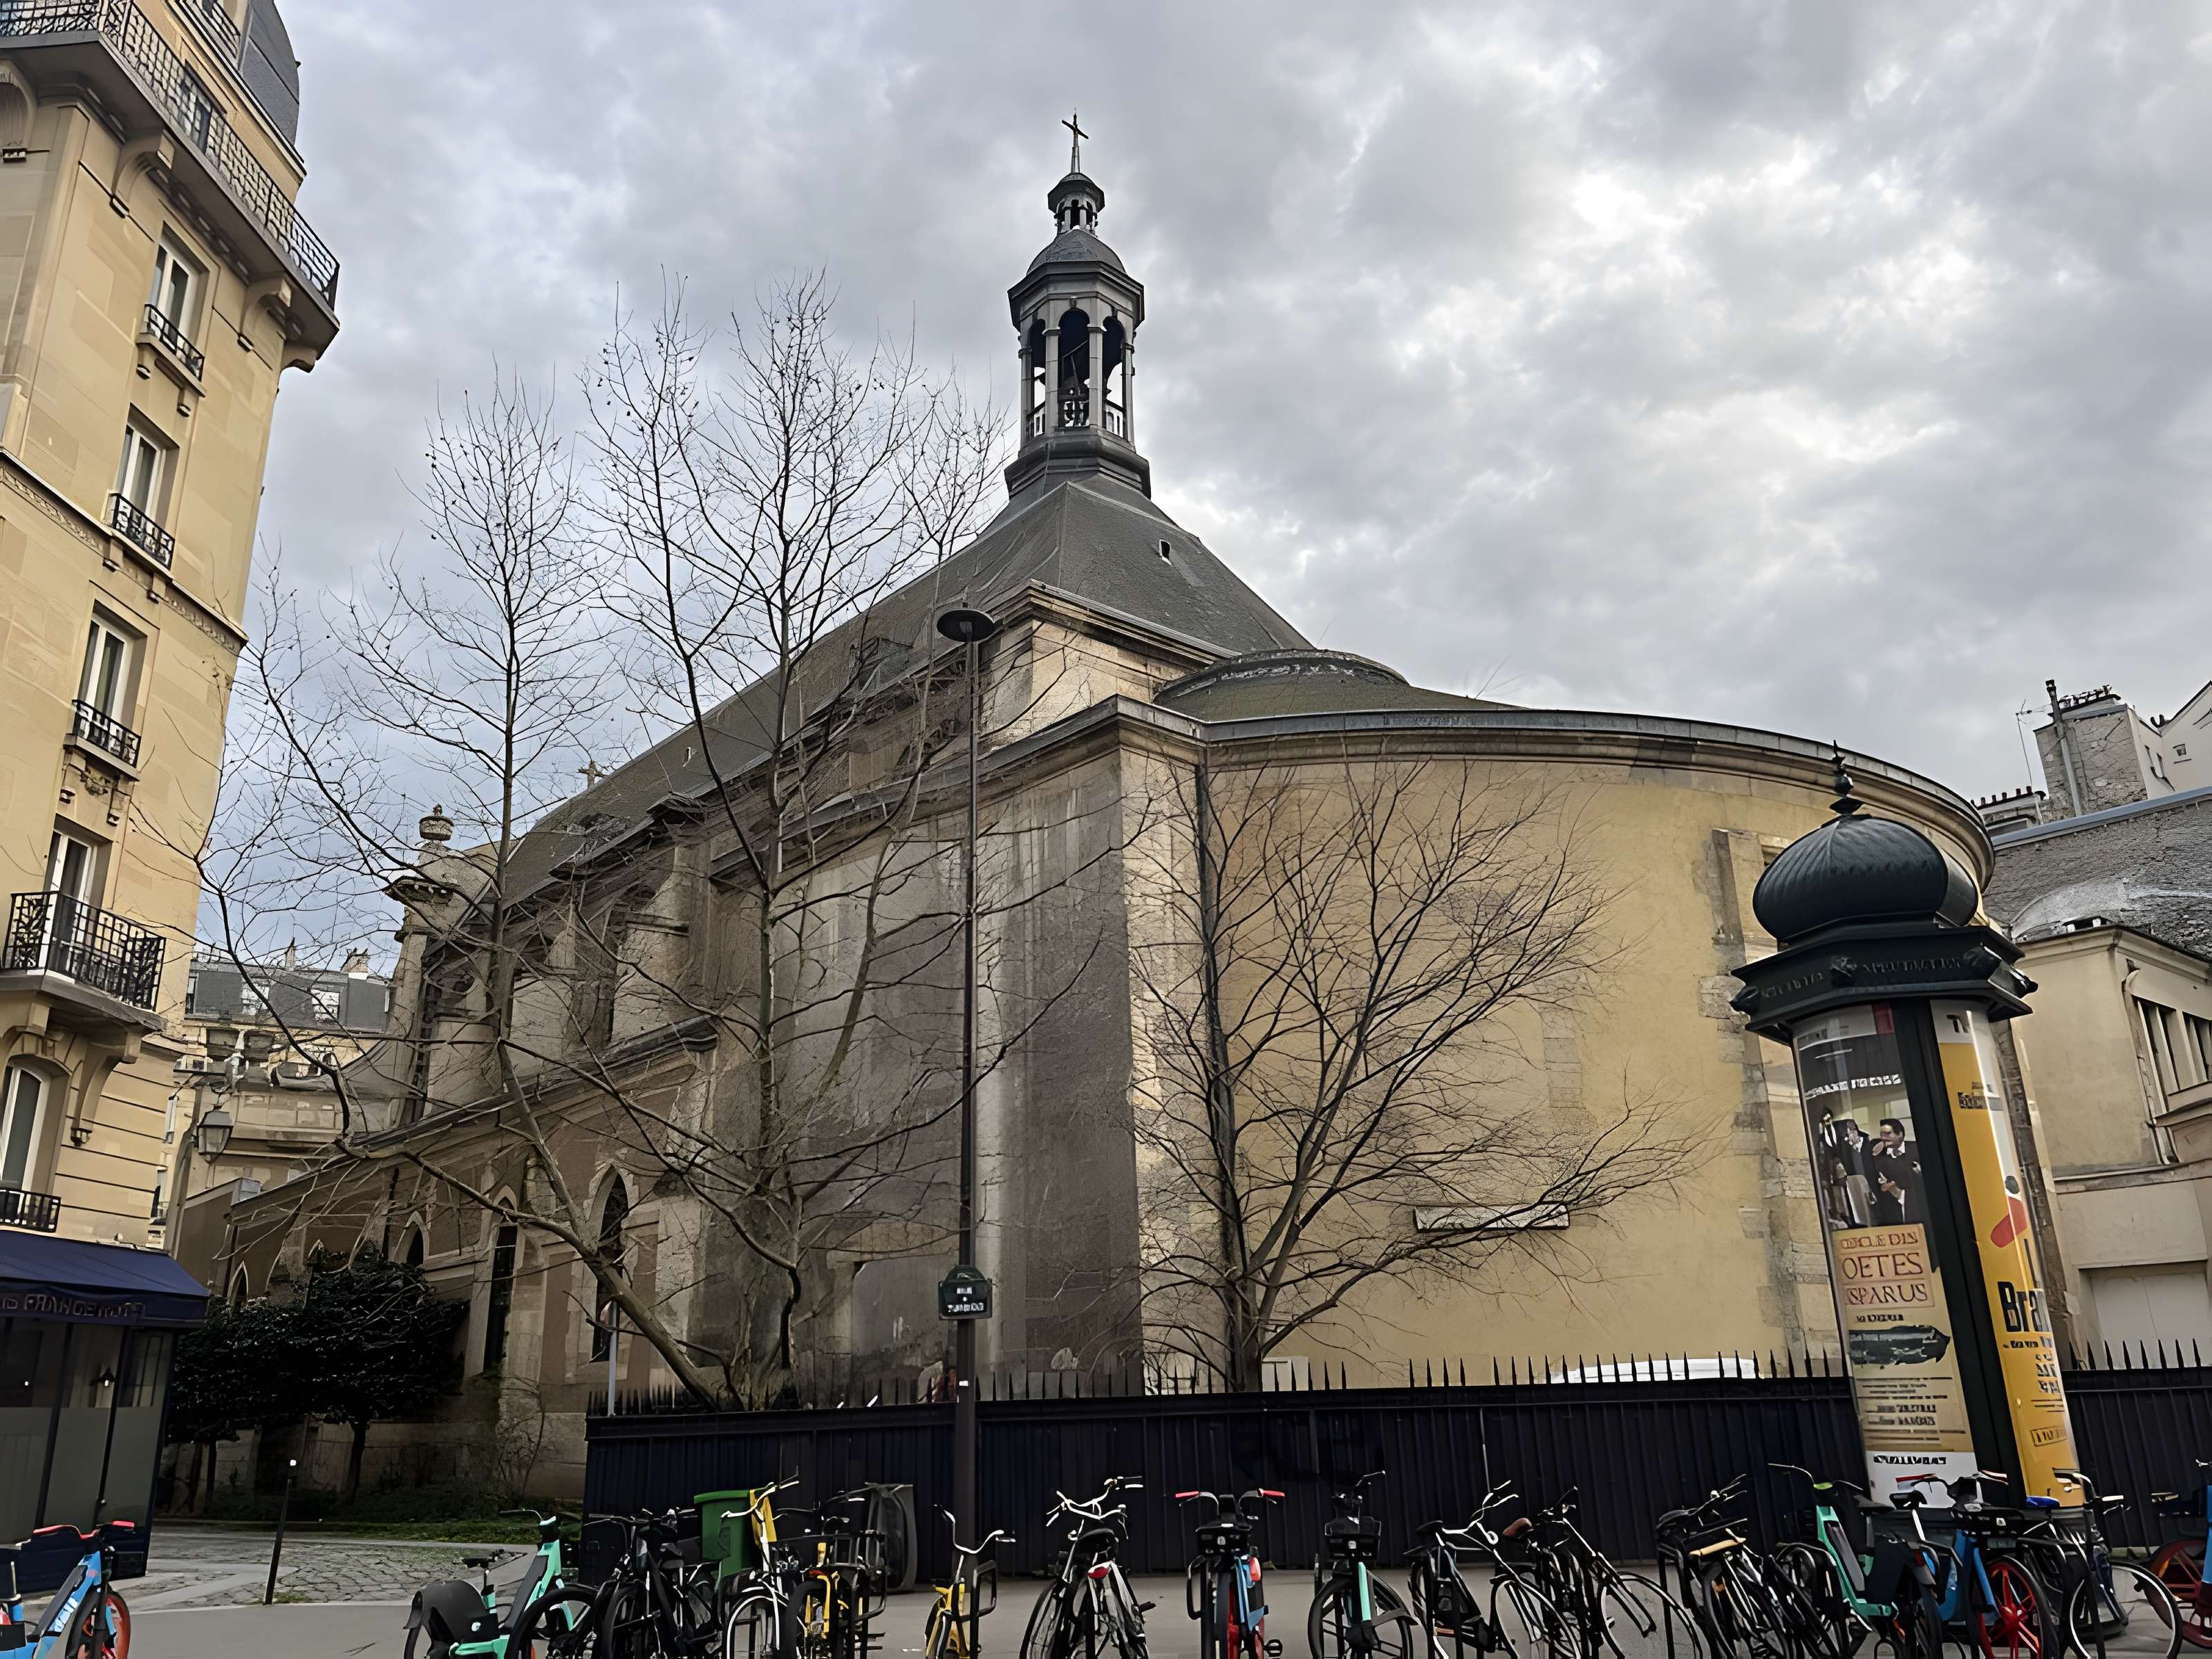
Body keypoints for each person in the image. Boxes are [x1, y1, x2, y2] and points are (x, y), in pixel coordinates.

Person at [1870, 1118, 1924, 1226]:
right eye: (1882, 1134)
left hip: (1917, 1210)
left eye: (1888, 1134)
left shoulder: (1917, 1149)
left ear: (1900, 1135)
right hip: (1892, 1214)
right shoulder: (1878, 1156)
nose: (1883, 1138)